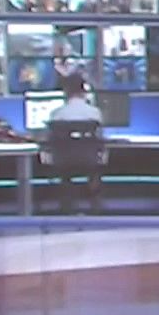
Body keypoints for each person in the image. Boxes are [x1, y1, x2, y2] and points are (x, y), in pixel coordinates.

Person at [45, 72, 106, 213]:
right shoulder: (95, 113)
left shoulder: (56, 114)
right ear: (83, 91)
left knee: (64, 171)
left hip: (63, 163)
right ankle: (96, 207)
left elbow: (50, 141)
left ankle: (66, 206)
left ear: (66, 91)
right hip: (90, 161)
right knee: (94, 170)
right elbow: (100, 139)